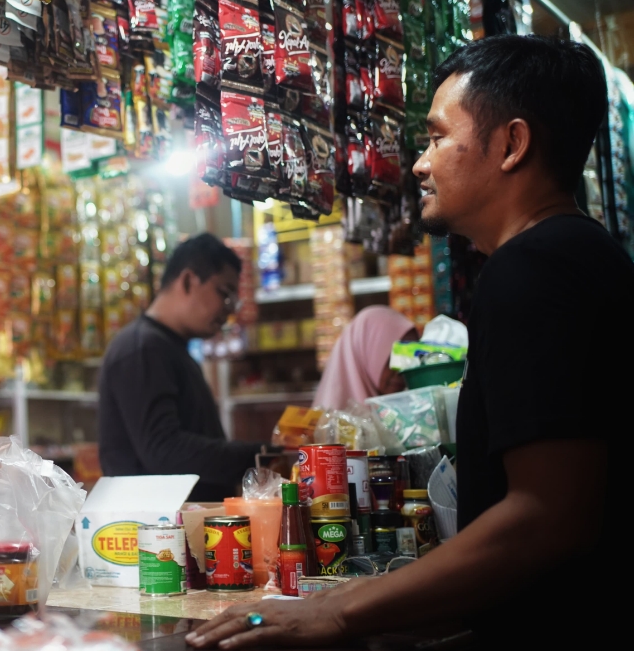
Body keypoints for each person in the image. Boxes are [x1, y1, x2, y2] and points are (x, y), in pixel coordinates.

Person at [186, 35, 632, 649]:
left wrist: (340, 613)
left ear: (512, 145)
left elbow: (547, 516)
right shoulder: (587, 254)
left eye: (437, 137)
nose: (421, 163)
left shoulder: (533, 269)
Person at [97, 233, 264, 501]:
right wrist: (260, 456)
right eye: (225, 293)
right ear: (188, 280)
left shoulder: (167, 348)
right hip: (154, 535)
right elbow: (163, 451)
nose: (228, 310)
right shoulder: (143, 349)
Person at [311, 306, 418, 410]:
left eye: (410, 359)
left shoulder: (409, 414)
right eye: (393, 358)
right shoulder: (329, 423)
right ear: (365, 355)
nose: (403, 370)